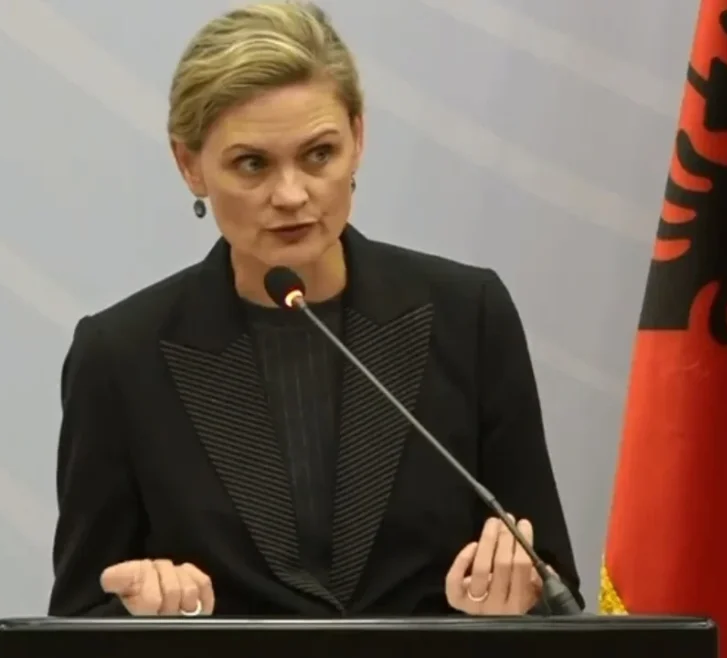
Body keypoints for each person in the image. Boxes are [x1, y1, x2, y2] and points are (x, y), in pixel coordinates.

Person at [47, 1, 581, 618]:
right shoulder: (120, 357)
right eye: (252, 164)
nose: (291, 194)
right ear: (189, 165)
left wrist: (510, 608)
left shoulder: (470, 317)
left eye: (319, 154)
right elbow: (76, 622)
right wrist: (142, 620)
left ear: (358, 138)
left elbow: (558, 593)